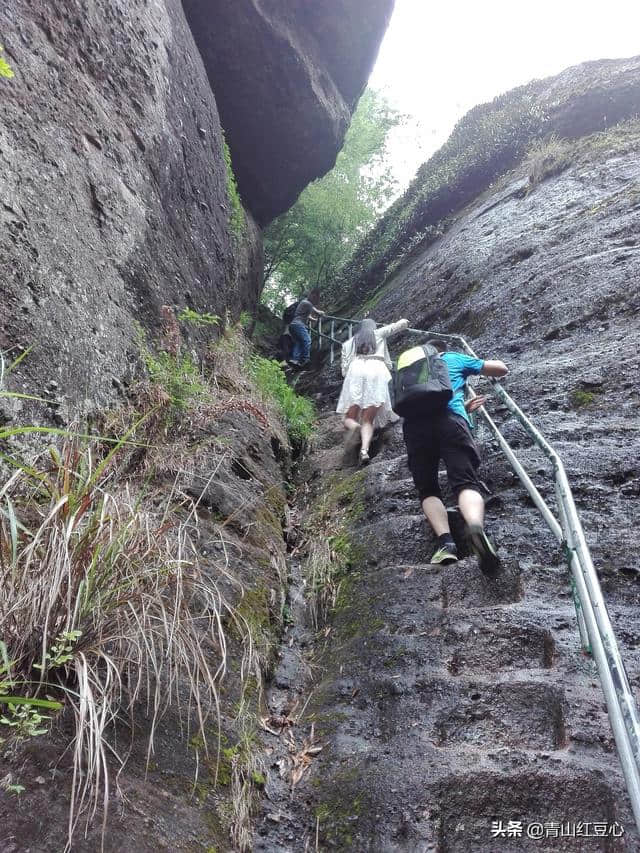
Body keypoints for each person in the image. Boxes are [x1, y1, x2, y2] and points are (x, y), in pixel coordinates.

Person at [401, 340, 508, 575]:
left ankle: (446, 543)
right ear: (440, 350)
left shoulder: (411, 371)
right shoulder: (452, 358)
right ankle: (474, 526)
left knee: (428, 489)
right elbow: (499, 369)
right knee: (465, 482)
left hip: (414, 428)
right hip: (450, 421)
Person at [336, 317, 409, 464]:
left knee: (348, 418)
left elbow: (344, 371)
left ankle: (355, 428)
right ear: (373, 327)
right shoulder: (378, 333)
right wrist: (405, 321)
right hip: (377, 370)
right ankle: (364, 450)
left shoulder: (348, 344)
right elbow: (397, 325)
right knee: (368, 419)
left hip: (355, 371)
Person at [288, 288, 325, 367]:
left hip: (293, 325)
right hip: (298, 325)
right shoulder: (307, 303)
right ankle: (305, 360)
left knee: (298, 342)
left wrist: (314, 319)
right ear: (312, 295)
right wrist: (322, 313)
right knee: (307, 340)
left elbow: (307, 316)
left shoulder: (303, 303)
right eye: (315, 298)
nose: (316, 300)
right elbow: (318, 312)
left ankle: (294, 360)